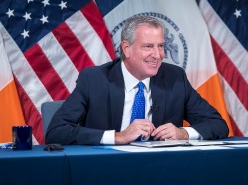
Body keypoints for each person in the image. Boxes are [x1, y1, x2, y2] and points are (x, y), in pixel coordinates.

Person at [46, 15, 229, 145]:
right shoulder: (94, 79)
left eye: (161, 46)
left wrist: (182, 133)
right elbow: (57, 131)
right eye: (148, 46)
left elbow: (218, 125)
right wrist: (118, 137)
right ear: (126, 48)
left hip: (162, 170)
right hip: (107, 169)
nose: (157, 55)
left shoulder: (175, 78)